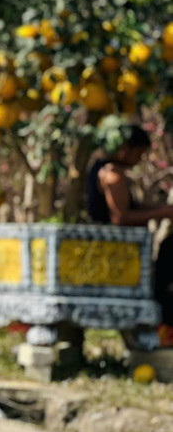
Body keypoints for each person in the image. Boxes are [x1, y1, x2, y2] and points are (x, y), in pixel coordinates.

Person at [86, 123, 173, 324]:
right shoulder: (112, 174)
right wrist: (162, 212)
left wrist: (159, 208)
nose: (140, 159)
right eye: (139, 153)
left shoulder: (104, 169)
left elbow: (132, 207)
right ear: (124, 150)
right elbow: (121, 217)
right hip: (115, 251)